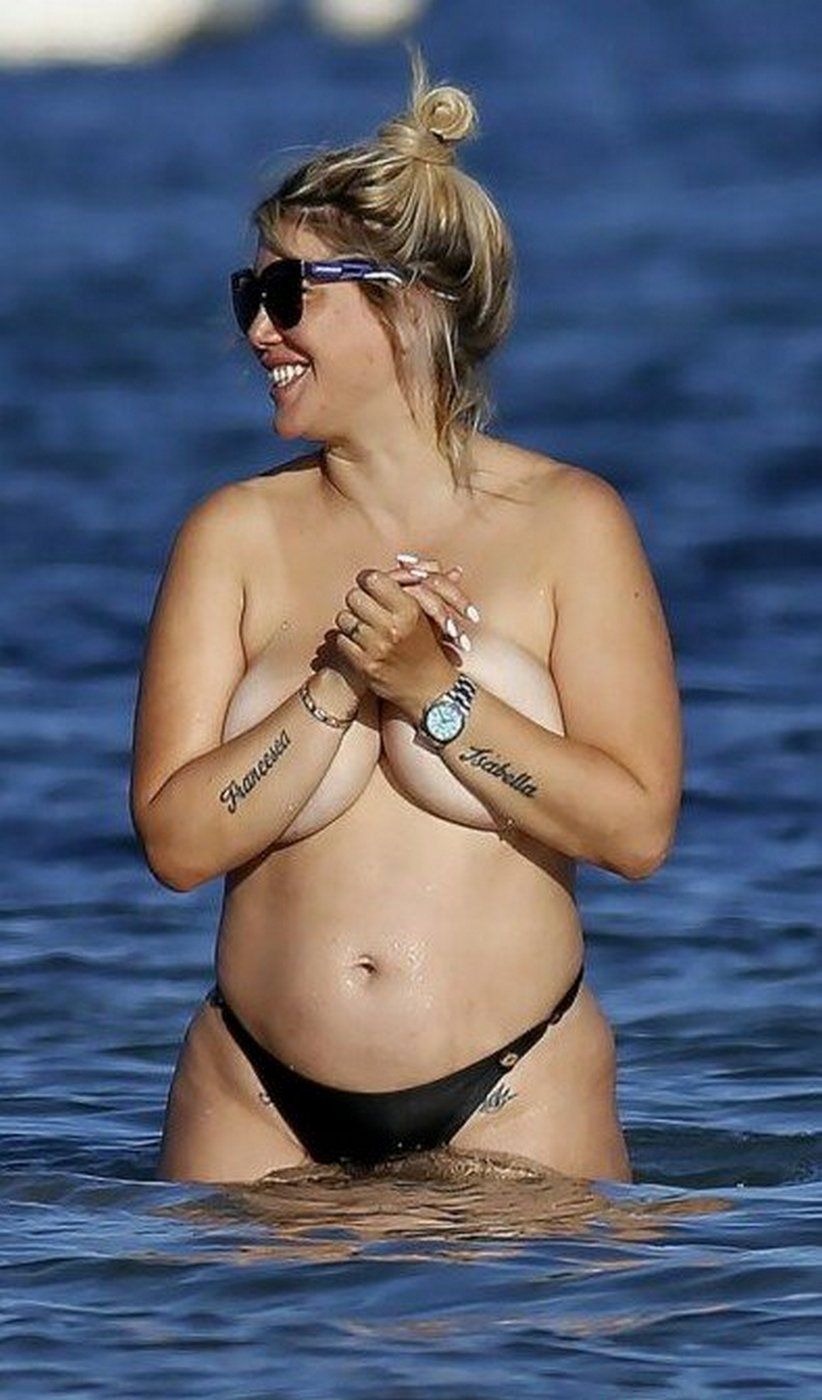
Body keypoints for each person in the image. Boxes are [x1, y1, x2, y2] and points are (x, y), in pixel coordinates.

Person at [129, 54, 682, 1185]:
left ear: (409, 303)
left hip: (518, 1092)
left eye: (289, 296)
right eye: (249, 297)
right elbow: (177, 846)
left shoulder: (571, 522)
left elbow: (635, 831)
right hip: (253, 1098)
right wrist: (334, 688)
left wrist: (440, 696)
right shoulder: (230, 535)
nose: (259, 333)